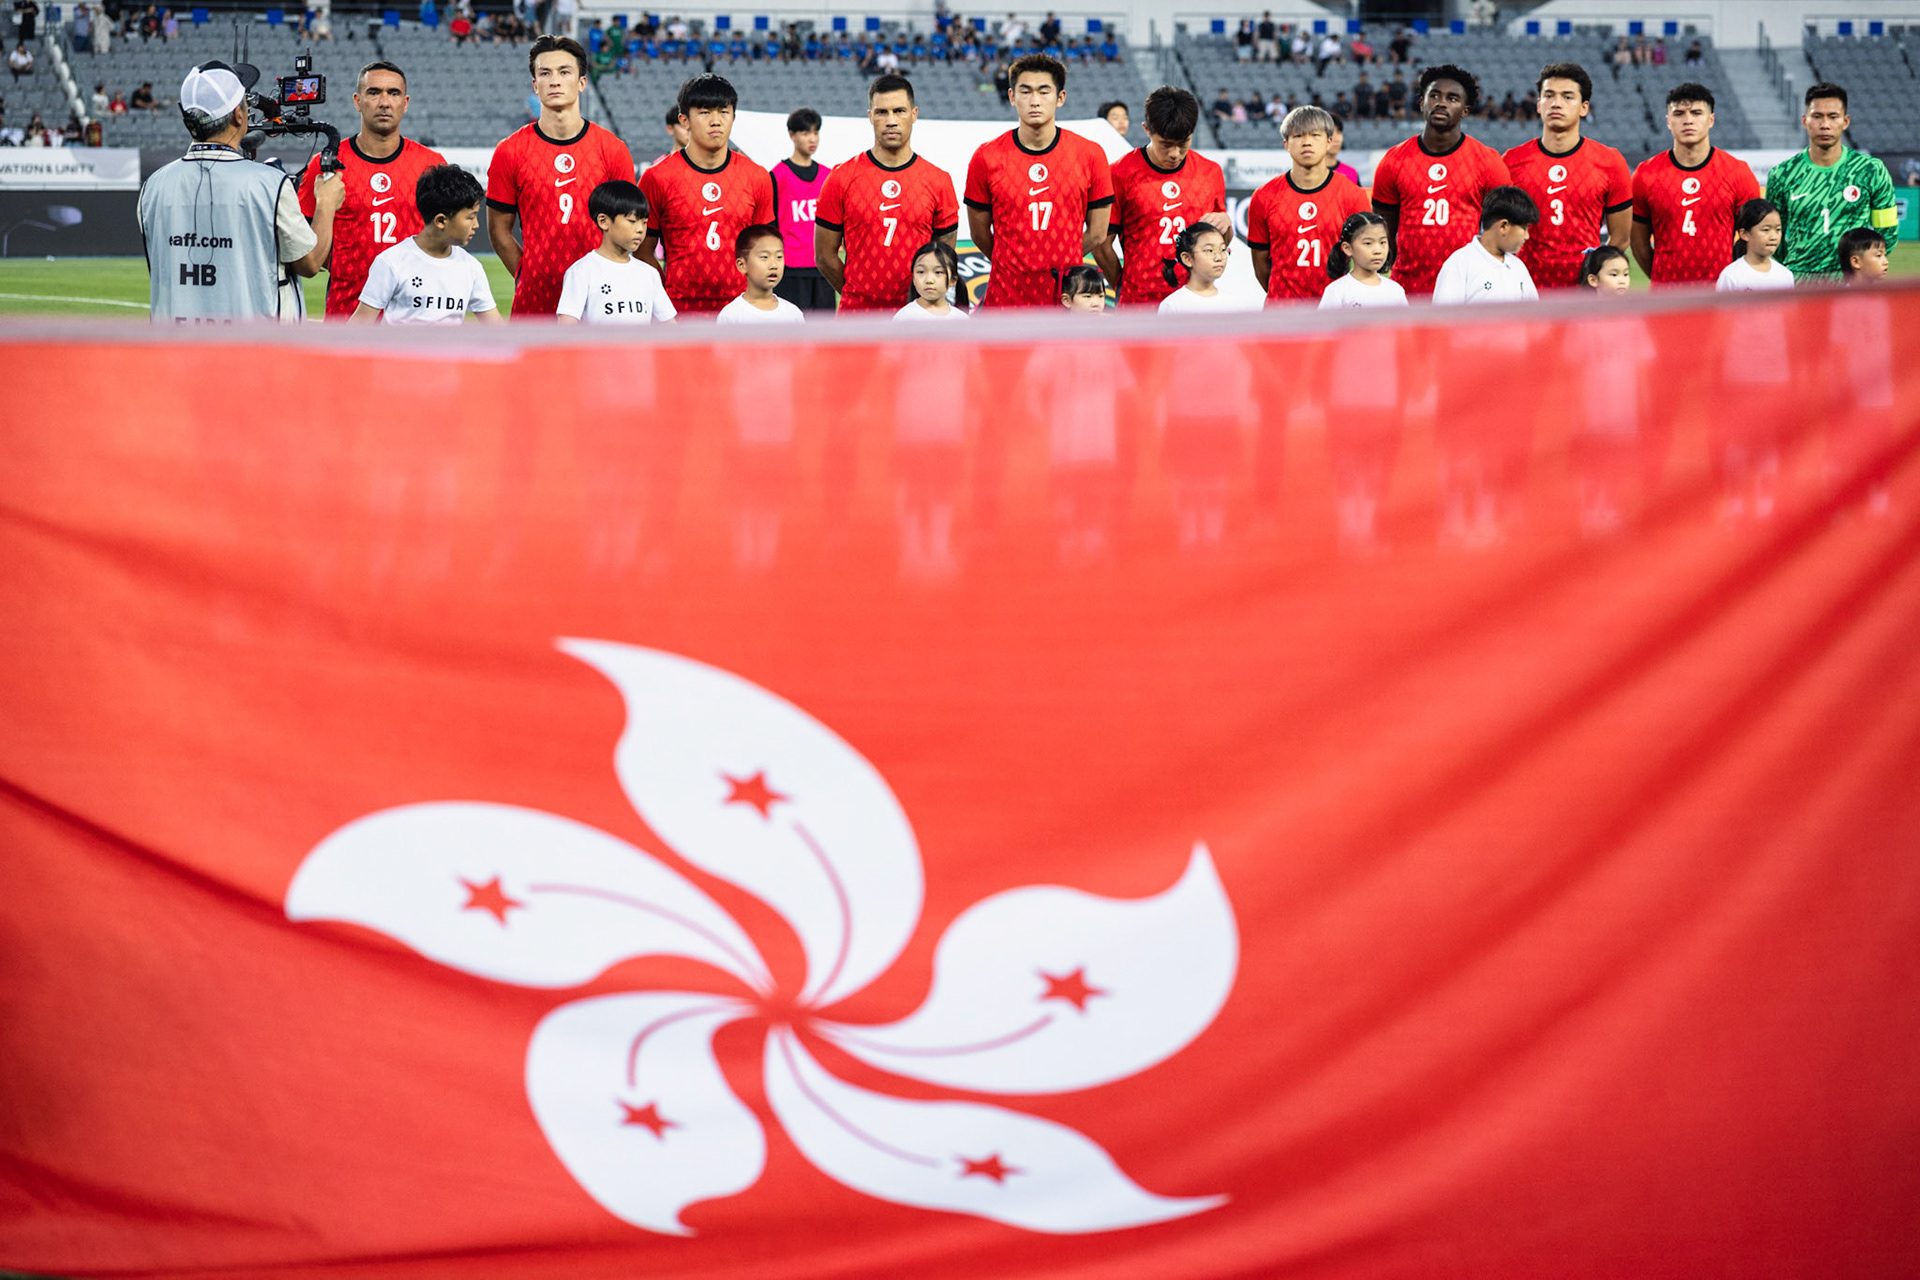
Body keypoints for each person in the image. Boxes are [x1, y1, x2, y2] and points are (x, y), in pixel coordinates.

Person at [138, 62, 342, 322]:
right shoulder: (269, 184)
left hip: (176, 350)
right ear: (238, 115)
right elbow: (310, 262)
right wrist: (326, 201)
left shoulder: (152, 187)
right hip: (252, 351)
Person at [485, 35, 634, 316]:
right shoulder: (510, 151)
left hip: (600, 298)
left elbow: (626, 228)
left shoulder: (613, 150)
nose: (554, 80)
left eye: (564, 72)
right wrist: (525, 275)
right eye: (545, 73)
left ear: (581, 83)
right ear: (535, 85)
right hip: (535, 297)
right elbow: (498, 231)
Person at [298, 61, 447, 320]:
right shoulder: (325, 165)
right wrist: (345, 262)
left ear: (406, 102)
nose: (384, 102)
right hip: (346, 315)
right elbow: (303, 248)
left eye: (394, 93)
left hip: (416, 319)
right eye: (374, 92)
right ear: (358, 101)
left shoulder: (432, 165)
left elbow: (448, 237)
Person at [964, 53, 1114, 308]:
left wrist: (1063, 264)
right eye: (1026, 91)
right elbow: (978, 233)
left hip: (1064, 302)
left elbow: (1098, 233)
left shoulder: (1090, 155)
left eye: (1044, 92)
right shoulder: (986, 156)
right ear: (1012, 97)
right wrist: (1012, 263)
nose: (1034, 101)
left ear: (1060, 98)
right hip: (1005, 300)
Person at [815, 74, 959, 313]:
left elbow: (944, 256)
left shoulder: (938, 181)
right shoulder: (841, 177)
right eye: (882, 112)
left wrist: (918, 302)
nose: (891, 120)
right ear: (870, 116)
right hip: (858, 315)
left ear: (914, 114)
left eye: (899, 111)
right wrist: (857, 294)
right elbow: (823, 256)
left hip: (917, 315)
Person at [639, 74, 775, 317]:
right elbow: (641, 250)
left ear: (734, 117)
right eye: (704, 112)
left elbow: (766, 249)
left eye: (724, 112)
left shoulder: (757, 176)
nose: (716, 121)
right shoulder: (657, 178)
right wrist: (665, 295)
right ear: (684, 120)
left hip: (742, 312)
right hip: (678, 313)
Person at [1370, 64, 1510, 297]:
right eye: (1434, 95)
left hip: (1468, 288)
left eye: (1452, 98)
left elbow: (1504, 231)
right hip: (1408, 288)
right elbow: (1383, 231)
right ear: (1421, 103)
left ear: (1465, 110)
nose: (1441, 102)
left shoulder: (1487, 161)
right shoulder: (1394, 160)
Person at [1095, 85, 1228, 309]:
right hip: (1140, 304)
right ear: (1147, 130)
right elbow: (1100, 243)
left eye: (1183, 143)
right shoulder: (1119, 173)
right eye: (1165, 144)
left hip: (1197, 304)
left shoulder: (1210, 172)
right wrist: (1122, 285)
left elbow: (1219, 243)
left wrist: (1227, 227)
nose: (1174, 153)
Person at [1502, 62, 1632, 288]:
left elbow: (1620, 238)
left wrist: (1594, 273)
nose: (1556, 103)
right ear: (1539, 105)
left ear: (1584, 107)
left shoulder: (1610, 162)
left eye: (1568, 97)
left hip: (1584, 295)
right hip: (1526, 292)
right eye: (1549, 95)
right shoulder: (1510, 162)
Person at [1766, 83, 1897, 283]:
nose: (1825, 124)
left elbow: (1887, 232)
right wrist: (1798, 268)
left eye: (1833, 117)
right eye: (1817, 116)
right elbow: (1773, 237)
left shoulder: (1871, 170)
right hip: (1800, 282)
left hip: (1853, 282)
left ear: (1845, 121)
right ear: (1804, 120)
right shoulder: (1782, 174)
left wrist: (1861, 268)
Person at [1630, 83, 1758, 287]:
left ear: (1711, 120)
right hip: (1667, 299)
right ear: (1668, 121)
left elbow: (1754, 239)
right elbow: (1638, 242)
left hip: (1722, 297)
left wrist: (1731, 279)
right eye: (1679, 113)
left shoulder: (1738, 173)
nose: (1688, 120)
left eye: (1697, 112)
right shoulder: (1645, 175)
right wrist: (1661, 279)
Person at [1247, 104, 1371, 306]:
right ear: (1286, 144)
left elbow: (1363, 260)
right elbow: (1260, 263)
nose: (1306, 142)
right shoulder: (1264, 197)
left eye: (1315, 135)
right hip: (1282, 312)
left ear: (1329, 141)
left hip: (1335, 311)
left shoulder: (1352, 195)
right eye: (1298, 136)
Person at [349, 163, 499, 324]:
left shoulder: (471, 267)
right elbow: (359, 325)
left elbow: (496, 328)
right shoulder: (391, 262)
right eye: (470, 217)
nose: (476, 225)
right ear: (441, 221)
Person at [554, 178, 673, 323]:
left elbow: (670, 326)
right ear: (603, 221)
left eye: (644, 222)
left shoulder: (649, 274)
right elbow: (566, 329)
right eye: (632, 221)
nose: (640, 229)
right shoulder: (581, 272)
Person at [1430, 184, 1539, 304]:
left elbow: (1536, 317)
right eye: (1524, 228)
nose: (1527, 236)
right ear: (1504, 226)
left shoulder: (1518, 267)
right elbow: (1443, 319)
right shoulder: (1459, 264)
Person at [770, 106, 832, 310]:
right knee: (793, 335)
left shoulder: (828, 176)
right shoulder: (777, 176)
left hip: (823, 268)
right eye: (805, 133)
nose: (812, 139)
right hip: (791, 269)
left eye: (816, 132)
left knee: (824, 335)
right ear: (792, 135)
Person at [1156, 222, 1254, 313]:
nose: (1219, 257)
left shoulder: (1235, 304)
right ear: (1187, 259)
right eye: (1209, 250)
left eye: (1223, 249)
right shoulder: (1173, 306)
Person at [716, 223, 803, 323]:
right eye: (764, 257)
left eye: (779, 257)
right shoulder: (730, 316)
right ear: (742, 265)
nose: (774, 265)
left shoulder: (793, 314)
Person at [1319, 210, 1406, 308]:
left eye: (1382, 242)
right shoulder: (1337, 292)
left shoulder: (1395, 291)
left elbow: (1406, 323)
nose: (1377, 250)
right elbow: (1324, 323)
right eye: (1368, 243)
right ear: (1347, 248)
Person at [1717, 198, 1792, 292]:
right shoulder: (1731, 276)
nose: (1773, 237)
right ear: (1744, 234)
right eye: (1766, 230)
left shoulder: (1785, 275)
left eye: (1778, 229)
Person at [896, 239, 966, 320]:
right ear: (914, 278)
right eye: (921, 272)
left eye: (938, 272)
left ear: (953, 280)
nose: (929, 280)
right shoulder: (904, 317)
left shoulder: (962, 319)